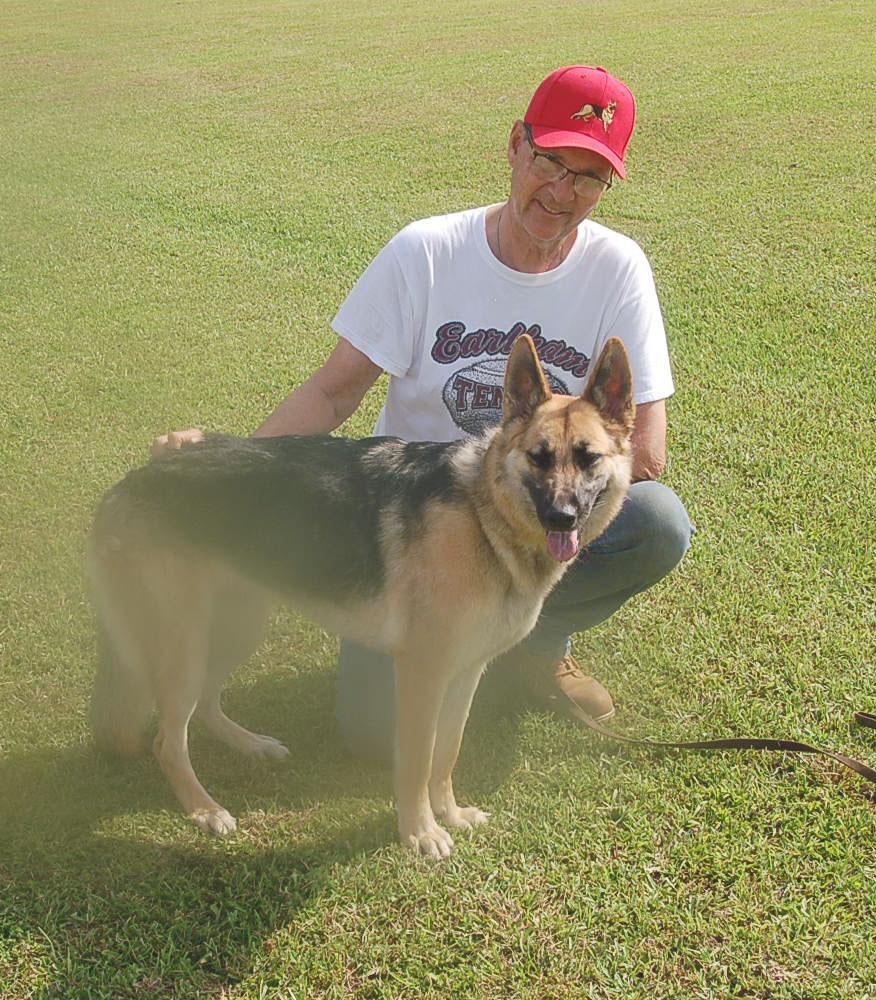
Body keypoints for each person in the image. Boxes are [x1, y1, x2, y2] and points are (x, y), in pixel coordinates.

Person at [155, 65, 693, 765]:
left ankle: (528, 643)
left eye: (587, 178)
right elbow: (332, 393)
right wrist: (234, 464)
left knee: (658, 523)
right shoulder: (427, 253)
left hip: (525, 511)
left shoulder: (618, 268)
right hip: (413, 527)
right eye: (550, 162)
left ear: (607, 188)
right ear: (514, 146)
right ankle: (454, 629)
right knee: (377, 735)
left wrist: (516, 515)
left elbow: (644, 451)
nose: (561, 194)